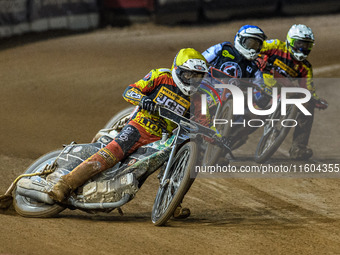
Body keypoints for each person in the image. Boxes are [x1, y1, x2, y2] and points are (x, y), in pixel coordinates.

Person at [47, 48, 213, 219]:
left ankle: (173, 202)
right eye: (189, 75)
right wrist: (143, 100)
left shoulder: (199, 97)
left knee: (177, 163)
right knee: (115, 150)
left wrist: (217, 137)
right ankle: (65, 184)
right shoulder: (161, 76)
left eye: (198, 77)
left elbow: (205, 124)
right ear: (178, 70)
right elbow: (130, 90)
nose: (193, 80)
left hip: (164, 139)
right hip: (140, 126)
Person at [258, 24, 328, 160]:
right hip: (257, 85)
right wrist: (261, 60)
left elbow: (308, 88)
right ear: (290, 41)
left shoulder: (305, 68)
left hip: (279, 93)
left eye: (307, 45)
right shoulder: (275, 46)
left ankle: (298, 148)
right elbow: (254, 49)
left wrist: (315, 99)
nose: (303, 48)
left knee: (307, 104)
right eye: (300, 44)